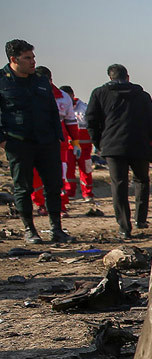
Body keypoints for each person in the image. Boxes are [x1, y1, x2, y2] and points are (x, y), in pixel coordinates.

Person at [0, 39, 68, 243]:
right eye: (27, 58)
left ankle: (56, 228)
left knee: (54, 186)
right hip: (18, 143)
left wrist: (58, 136)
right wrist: (3, 141)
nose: (33, 62)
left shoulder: (40, 80)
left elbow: (52, 110)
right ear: (14, 59)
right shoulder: (2, 81)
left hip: (47, 142)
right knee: (23, 188)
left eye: (33, 57)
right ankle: (30, 230)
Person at [86, 63, 152, 240]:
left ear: (110, 77)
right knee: (141, 181)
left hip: (113, 147)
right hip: (139, 146)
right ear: (128, 77)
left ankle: (124, 227)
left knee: (119, 185)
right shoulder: (142, 95)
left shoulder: (99, 94)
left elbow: (91, 121)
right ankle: (140, 219)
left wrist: (99, 143)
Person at [30, 65, 76, 216]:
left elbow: (71, 121)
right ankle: (40, 204)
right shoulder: (28, 93)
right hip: (34, 142)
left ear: (51, 80)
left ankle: (61, 206)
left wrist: (75, 142)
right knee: (35, 176)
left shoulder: (63, 97)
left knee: (59, 177)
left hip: (58, 145)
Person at [60, 85, 94, 202]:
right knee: (68, 170)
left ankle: (88, 193)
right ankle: (70, 192)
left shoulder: (84, 109)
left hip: (84, 147)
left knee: (86, 170)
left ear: (73, 95)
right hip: (68, 147)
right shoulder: (61, 107)